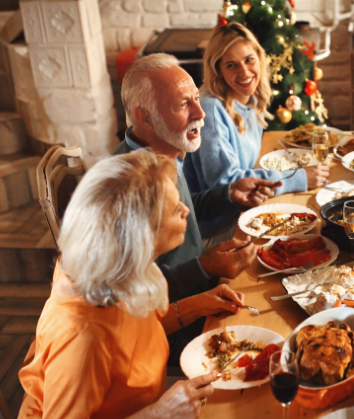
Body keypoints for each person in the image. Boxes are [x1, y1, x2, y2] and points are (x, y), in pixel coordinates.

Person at [15, 151, 246, 419]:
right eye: (175, 209)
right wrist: (159, 415)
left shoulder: (118, 268)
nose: (185, 211)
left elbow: (136, 335)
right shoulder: (82, 335)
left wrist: (202, 302)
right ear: (140, 237)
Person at [114, 53, 273, 361]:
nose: (201, 113)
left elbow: (180, 212)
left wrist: (228, 193)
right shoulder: (126, 189)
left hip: (205, 288)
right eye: (183, 104)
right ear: (143, 116)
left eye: (197, 99)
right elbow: (135, 300)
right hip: (172, 332)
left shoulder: (166, 150)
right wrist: (205, 267)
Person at [183, 22, 328, 237]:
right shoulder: (211, 108)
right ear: (218, 70)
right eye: (231, 65)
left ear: (259, 58)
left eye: (249, 60)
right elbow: (228, 184)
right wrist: (296, 179)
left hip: (248, 209)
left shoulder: (250, 99)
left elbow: (245, 170)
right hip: (219, 228)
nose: (244, 72)